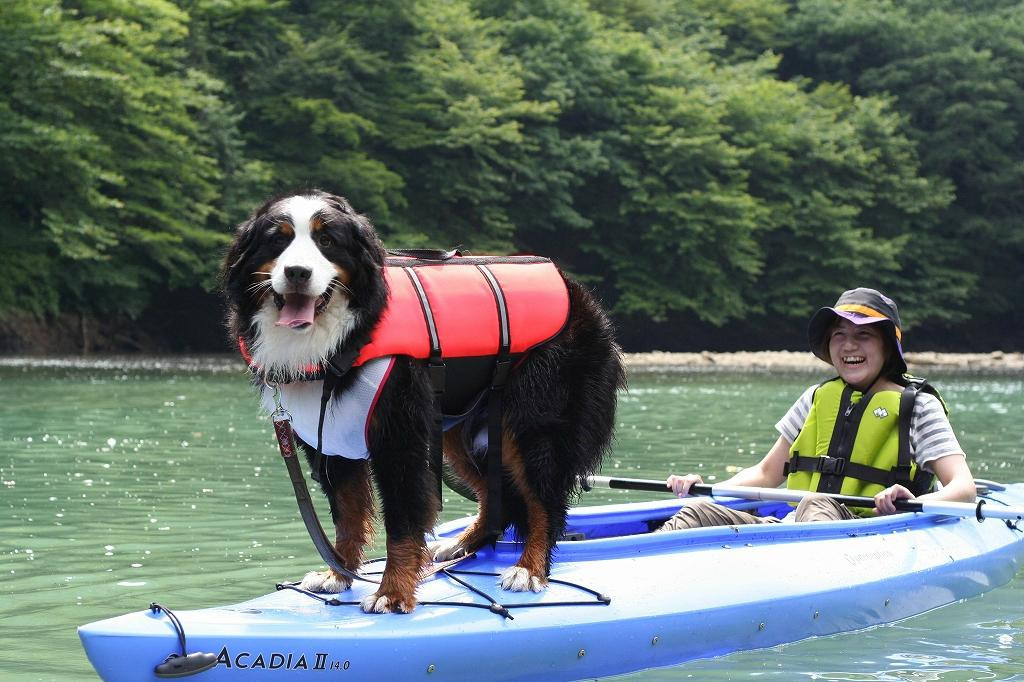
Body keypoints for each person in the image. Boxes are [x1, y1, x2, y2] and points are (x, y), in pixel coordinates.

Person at [658, 287, 976, 530]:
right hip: (794, 526)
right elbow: (766, 473)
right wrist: (704, 489)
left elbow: (964, 488)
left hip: (871, 532)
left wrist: (916, 502)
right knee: (697, 513)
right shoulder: (815, 397)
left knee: (814, 503)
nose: (849, 346)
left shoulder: (918, 405)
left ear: (887, 348)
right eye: (840, 335)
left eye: (863, 335)